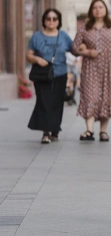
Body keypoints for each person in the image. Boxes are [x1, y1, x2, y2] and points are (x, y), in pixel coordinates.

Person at [73, 0, 111, 142]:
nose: (98, 9)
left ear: (105, 10)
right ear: (91, 11)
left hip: (109, 69)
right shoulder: (84, 29)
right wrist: (86, 52)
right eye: (95, 7)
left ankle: (103, 131)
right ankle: (89, 130)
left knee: (107, 97)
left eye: (101, 7)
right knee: (90, 96)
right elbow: (74, 48)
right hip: (90, 68)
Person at [26, 8, 74, 144]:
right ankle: (45, 132)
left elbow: (74, 50)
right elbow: (28, 55)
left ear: (58, 21)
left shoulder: (64, 36)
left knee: (57, 102)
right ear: (44, 21)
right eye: (48, 18)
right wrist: (37, 60)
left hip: (60, 74)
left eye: (54, 19)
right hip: (42, 75)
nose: (51, 21)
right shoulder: (37, 36)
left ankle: (55, 130)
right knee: (43, 102)